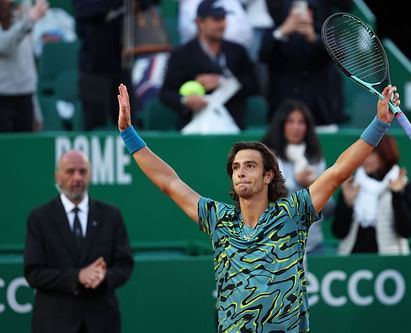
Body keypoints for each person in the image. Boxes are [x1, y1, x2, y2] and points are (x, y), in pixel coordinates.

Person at [117, 82, 399, 331]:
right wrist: (128, 133)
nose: (240, 172)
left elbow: (338, 172)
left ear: (268, 175)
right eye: (236, 167)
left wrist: (379, 123)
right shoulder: (219, 219)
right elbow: (169, 182)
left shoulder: (293, 212)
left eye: (250, 166)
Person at [24, 149, 134, 333]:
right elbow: (33, 272)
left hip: (102, 322)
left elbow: (125, 265)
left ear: (90, 175)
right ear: (57, 176)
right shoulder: (39, 218)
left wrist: (104, 276)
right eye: (70, 171)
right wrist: (77, 277)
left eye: (82, 171)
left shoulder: (111, 216)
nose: (77, 178)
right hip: (54, 323)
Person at [159, 0, 258, 131]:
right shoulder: (181, 54)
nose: (222, 24)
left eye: (223, 18)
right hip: (193, 127)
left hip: (232, 126)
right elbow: (166, 93)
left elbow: (253, 85)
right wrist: (185, 101)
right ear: (200, 22)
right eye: (216, 19)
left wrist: (224, 82)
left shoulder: (237, 51)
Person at [259, 0, 346, 127]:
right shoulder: (274, 32)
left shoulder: (324, 31)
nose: (302, 14)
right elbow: (263, 56)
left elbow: (340, 56)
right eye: (297, 9)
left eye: (308, 9)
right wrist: (281, 32)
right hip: (283, 113)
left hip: (320, 112)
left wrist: (313, 38)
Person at [261, 98, 332, 254]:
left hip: (313, 245)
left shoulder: (315, 159)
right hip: (277, 247)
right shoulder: (266, 157)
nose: (296, 127)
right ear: (281, 125)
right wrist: (298, 183)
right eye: (290, 122)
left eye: (301, 122)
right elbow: (266, 202)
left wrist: (316, 188)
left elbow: (329, 209)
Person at [331, 134, 411, 255]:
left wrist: (396, 195)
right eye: (362, 153)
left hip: (390, 264)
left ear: (385, 155)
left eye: (371, 153)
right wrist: (347, 204)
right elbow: (338, 232)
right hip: (351, 263)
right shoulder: (352, 185)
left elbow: (407, 231)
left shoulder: (403, 185)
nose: (365, 158)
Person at [72, 0, 151, 130]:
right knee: (95, 125)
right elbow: (85, 10)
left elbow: (148, 4)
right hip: (94, 67)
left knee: (128, 123)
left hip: (123, 64)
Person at [0, 0, 48, 132]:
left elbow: (28, 65)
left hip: (25, 98)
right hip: (3, 97)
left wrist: (36, 110)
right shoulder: (26, 22)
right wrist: (30, 20)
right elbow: (4, 46)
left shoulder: (23, 17)